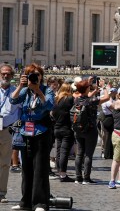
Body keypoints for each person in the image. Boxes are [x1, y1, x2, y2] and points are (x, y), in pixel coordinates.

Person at [10, 63, 55, 211]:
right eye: (31, 75)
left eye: (37, 74)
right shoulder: (25, 91)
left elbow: (48, 105)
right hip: (25, 131)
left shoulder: (47, 90)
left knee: (40, 168)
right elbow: (13, 99)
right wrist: (20, 85)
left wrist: (38, 91)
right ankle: (25, 202)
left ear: (41, 76)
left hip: (42, 131)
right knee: (26, 168)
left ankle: (40, 203)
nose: (35, 77)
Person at [0, 64, 22, 203]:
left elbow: (22, 112)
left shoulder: (17, 92)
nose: (5, 76)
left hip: (7, 130)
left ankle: (1, 193)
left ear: (12, 76)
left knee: (4, 163)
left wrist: (15, 128)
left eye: (8, 74)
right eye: (3, 73)